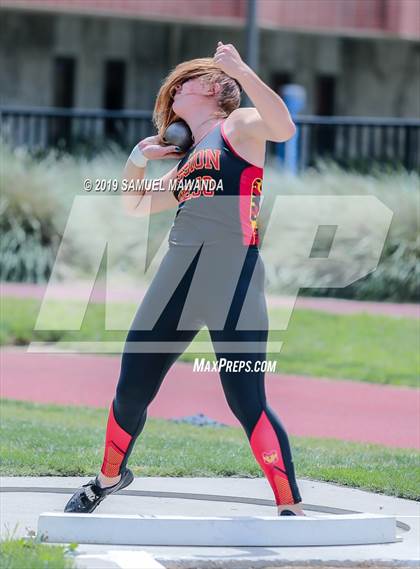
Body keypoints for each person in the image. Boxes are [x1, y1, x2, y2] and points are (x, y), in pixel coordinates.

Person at [64, 42, 305, 517]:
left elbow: (285, 126)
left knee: (245, 398)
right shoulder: (191, 160)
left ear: (216, 89)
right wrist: (137, 157)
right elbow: (134, 203)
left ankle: (290, 507)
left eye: (186, 81)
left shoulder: (238, 128)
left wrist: (240, 69)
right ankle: (108, 479)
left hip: (230, 279)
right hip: (176, 280)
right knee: (132, 385)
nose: (174, 88)